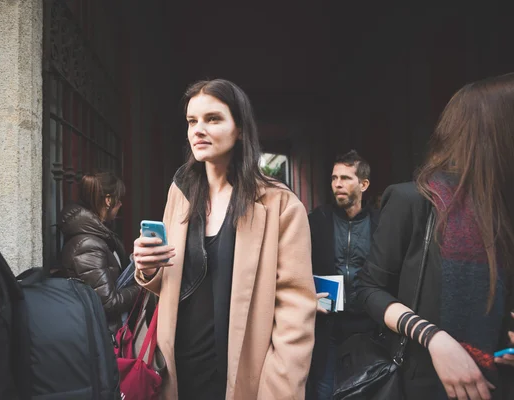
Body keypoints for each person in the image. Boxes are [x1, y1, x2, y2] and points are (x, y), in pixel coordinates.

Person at [132, 79, 317, 399]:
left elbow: (295, 319)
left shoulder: (280, 206)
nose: (198, 130)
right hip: (177, 376)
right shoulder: (181, 192)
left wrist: (277, 392)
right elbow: (169, 282)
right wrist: (148, 268)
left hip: (242, 380)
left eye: (213, 119)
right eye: (192, 121)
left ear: (241, 129)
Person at [356, 73, 514, 400]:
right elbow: (368, 290)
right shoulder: (413, 201)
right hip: (425, 382)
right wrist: (434, 338)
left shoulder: (503, 211)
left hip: (497, 381)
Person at [306, 150, 379, 399]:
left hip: (369, 324)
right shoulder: (317, 220)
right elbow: (295, 266)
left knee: (369, 389)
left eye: (346, 178)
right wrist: (307, 297)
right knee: (324, 390)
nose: (338, 184)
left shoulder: (380, 224)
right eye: (335, 178)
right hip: (328, 321)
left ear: (364, 184)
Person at [60, 171, 140, 335]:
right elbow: (108, 303)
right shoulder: (88, 245)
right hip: (105, 336)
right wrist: (143, 286)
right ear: (108, 200)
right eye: (119, 199)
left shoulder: (99, 236)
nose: (121, 204)